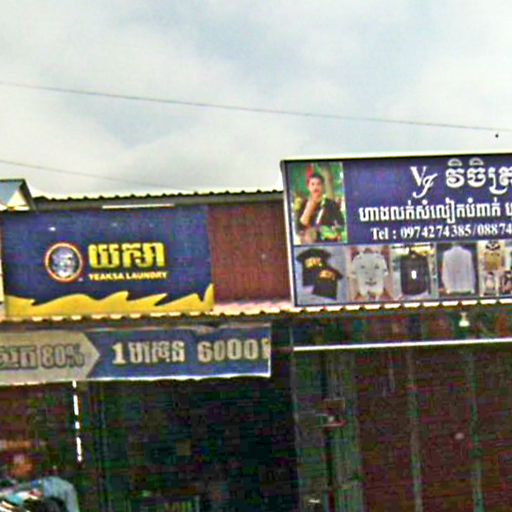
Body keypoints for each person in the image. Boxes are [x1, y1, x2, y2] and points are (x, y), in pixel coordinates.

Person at [295, 171, 345, 244]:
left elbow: (341, 224)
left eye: (318, 184)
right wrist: (309, 208)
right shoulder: (303, 204)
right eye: (312, 184)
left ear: (323, 186)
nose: (315, 187)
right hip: (310, 244)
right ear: (308, 187)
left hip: (329, 243)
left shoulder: (331, 204)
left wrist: (331, 230)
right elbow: (299, 228)